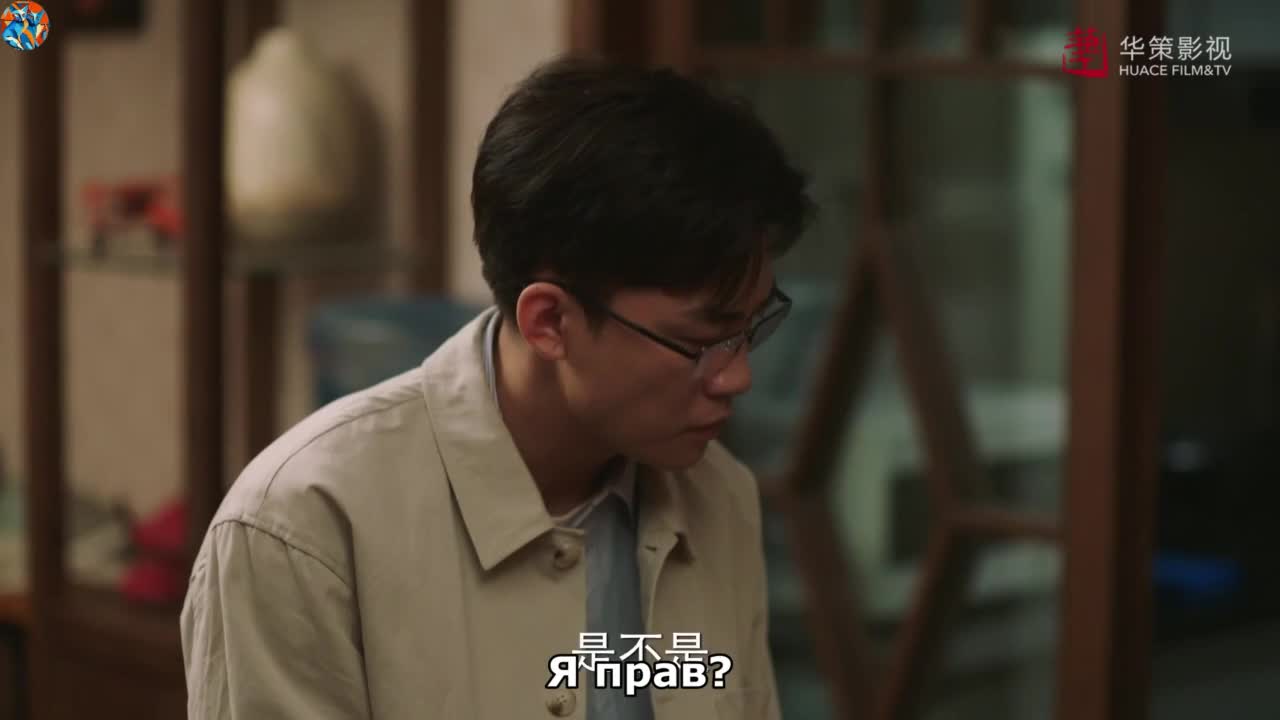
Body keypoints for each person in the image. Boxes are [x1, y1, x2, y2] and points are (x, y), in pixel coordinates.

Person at [181, 55, 814, 719]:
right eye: (699, 341)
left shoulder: (719, 496)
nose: (737, 376)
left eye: (751, 329)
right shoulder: (303, 529)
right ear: (550, 322)